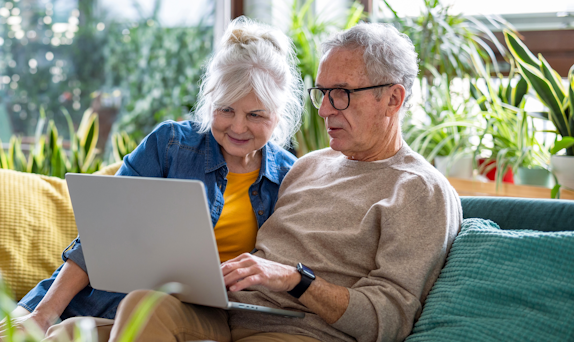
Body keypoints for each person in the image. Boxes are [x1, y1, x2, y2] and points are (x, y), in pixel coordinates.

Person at [108, 22, 463, 342]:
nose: (324, 110)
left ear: (393, 99)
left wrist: (297, 280)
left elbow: (389, 320)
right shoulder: (307, 167)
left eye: (341, 93)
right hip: (231, 315)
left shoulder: (420, 190)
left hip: (301, 330)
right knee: (145, 305)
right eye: (322, 93)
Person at [0, 17, 304, 342]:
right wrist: (42, 313)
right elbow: (100, 235)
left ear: (279, 114)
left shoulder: (291, 177)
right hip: (113, 301)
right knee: (46, 334)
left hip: (206, 317)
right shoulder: (171, 145)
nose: (237, 127)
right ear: (209, 102)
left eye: (256, 115)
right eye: (226, 109)